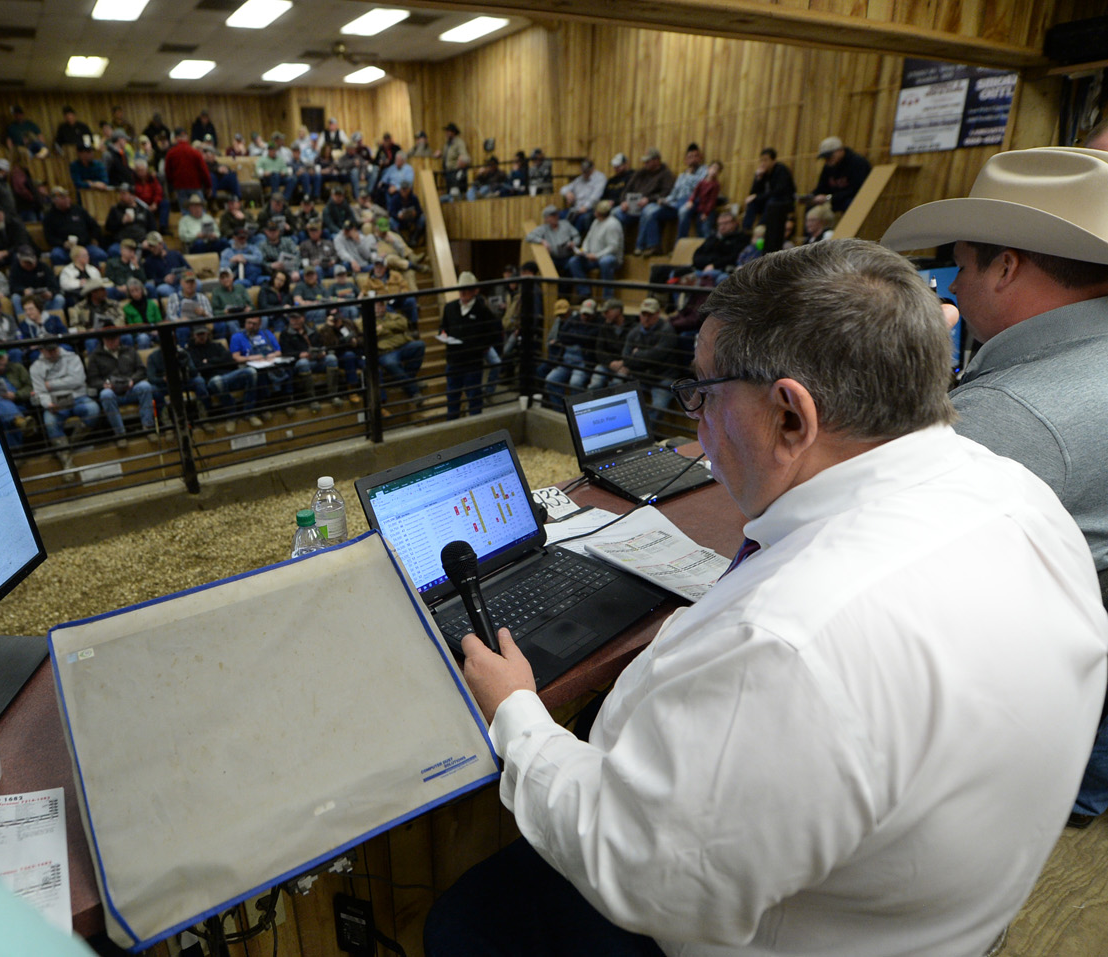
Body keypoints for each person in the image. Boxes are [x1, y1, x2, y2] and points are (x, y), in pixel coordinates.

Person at [428, 238, 1108, 957]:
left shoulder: (786, 646)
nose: (697, 423)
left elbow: (640, 879)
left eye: (704, 394)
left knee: (463, 920)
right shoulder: (1021, 499)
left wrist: (517, 717)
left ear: (791, 416)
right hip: (936, 910)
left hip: (774, 932)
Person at [882, 145, 1108, 829]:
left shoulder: (1009, 416)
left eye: (960, 263)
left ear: (1005, 266)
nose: (949, 288)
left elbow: (880, 542)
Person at [439, 271, 501, 420]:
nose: (463, 293)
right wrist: (443, 335)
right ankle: (451, 428)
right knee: (452, 397)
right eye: (461, 290)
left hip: (472, 362)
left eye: (466, 290)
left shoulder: (483, 311)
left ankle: (475, 430)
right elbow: (443, 328)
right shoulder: (450, 307)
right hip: (454, 361)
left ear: (474, 291)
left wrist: (481, 347)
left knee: (474, 397)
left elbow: (495, 332)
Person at [30, 341, 99, 469]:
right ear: (41, 351)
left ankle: (70, 445)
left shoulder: (72, 357)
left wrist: (50, 384)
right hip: (54, 402)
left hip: (78, 397)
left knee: (93, 409)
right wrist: (47, 404)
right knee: (50, 421)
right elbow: (39, 391)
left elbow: (78, 380)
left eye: (54, 349)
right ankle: (67, 461)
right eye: (48, 351)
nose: (52, 353)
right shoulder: (36, 367)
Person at [609, 297, 677, 418]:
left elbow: (657, 357)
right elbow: (625, 357)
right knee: (617, 387)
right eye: (644, 314)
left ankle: (651, 435)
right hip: (641, 375)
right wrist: (639, 358)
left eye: (650, 314)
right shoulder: (634, 332)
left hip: (662, 377)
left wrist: (636, 354)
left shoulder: (667, 331)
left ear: (657, 314)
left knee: (658, 407)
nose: (646, 318)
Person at [85, 331, 155, 448]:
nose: (112, 342)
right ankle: (120, 434)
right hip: (112, 393)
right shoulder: (95, 356)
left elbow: (141, 370)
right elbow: (92, 380)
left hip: (130, 389)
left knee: (145, 386)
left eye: (114, 338)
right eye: (109, 339)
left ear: (119, 338)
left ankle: (148, 427)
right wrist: (105, 384)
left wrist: (132, 380)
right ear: (103, 339)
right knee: (105, 394)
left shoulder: (130, 350)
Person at [636, 143, 707, 256]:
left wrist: (690, 176)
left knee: (683, 212)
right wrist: (665, 200)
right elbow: (674, 193)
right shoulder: (682, 175)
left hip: (693, 201)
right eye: (690, 157)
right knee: (652, 213)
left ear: (700, 158)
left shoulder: (705, 171)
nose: (693, 159)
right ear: (685, 160)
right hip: (677, 202)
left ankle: (678, 248)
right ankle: (654, 246)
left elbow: (700, 186)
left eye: (695, 156)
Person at [186, 324, 259, 430]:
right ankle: (232, 415)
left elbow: (229, 360)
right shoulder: (190, 352)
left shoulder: (217, 346)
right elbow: (199, 368)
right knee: (217, 381)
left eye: (203, 334)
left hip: (229, 375)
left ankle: (249, 412)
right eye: (199, 334)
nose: (201, 336)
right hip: (212, 380)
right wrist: (217, 361)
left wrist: (209, 362)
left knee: (251, 372)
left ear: (208, 334)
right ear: (194, 336)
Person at [610, 149, 675, 243]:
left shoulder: (666, 174)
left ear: (657, 160)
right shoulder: (640, 173)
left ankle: (641, 246)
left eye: (648, 161)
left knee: (647, 212)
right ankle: (617, 244)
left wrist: (649, 199)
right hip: (632, 206)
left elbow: (666, 192)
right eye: (645, 161)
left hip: (649, 204)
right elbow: (626, 189)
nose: (645, 163)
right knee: (615, 213)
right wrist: (623, 201)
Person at [278, 311, 338, 413]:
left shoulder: (312, 331)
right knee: (303, 363)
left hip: (316, 360)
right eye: (292, 318)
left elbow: (320, 344)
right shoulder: (285, 334)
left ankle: (333, 395)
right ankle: (312, 399)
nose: (294, 321)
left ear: (303, 318)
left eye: (296, 318)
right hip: (299, 364)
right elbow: (285, 352)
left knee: (331, 358)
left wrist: (322, 352)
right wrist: (299, 355)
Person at [543, 298, 599, 408]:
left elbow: (589, 338)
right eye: (584, 314)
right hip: (565, 361)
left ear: (594, 314)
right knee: (550, 379)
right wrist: (580, 337)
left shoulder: (598, 323)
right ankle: (560, 410)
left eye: (588, 315)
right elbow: (562, 336)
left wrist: (574, 336)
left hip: (583, 363)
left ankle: (575, 413)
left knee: (575, 383)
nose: (585, 317)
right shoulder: (574, 319)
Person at [371, 297, 425, 407]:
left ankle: (408, 380)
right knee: (390, 363)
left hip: (402, 346)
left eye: (380, 305)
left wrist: (384, 328)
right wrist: (393, 329)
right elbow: (369, 331)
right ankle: (414, 391)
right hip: (386, 352)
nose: (378, 309)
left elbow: (403, 324)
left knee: (419, 345)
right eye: (375, 306)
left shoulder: (392, 315)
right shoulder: (366, 320)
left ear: (384, 307)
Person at [230, 313, 289, 413]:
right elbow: (236, 358)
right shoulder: (237, 337)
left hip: (268, 362)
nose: (251, 326)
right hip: (249, 365)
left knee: (287, 367)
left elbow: (278, 352)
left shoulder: (267, 333)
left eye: (254, 324)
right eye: (248, 323)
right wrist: (253, 358)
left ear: (260, 324)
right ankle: (263, 407)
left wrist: (270, 356)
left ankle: (287, 402)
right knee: (260, 373)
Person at [566, 200, 624, 300]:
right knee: (574, 262)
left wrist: (597, 256)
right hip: (592, 257)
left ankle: (608, 297)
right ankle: (584, 292)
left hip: (611, 258)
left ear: (599, 213)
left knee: (605, 262)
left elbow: (613, 247)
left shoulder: (613, 224)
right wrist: (583, 251)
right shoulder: (596, 222)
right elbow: (588, 238)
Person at [42, 187, 107, 265]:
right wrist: (63, 243)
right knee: (56, 255)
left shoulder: (78, 210)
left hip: (84, 245)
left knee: (100, 254)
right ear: (55, 200)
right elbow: (49, 237)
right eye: (63, 198)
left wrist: (94, 238)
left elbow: (95, 226)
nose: (67, 199)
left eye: (67, 197)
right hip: (64, 248)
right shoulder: (50, 217)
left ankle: (94, 274)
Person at [742, 146, 796, 234]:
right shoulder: (763, 173)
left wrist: (757, 197)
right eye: (761, 160)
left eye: (766, 160)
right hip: (769, 200)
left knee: (771, 202)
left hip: (783, 200)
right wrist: (758, 179)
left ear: (773, 161)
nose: (763, 163)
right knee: (752, 203)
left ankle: (760, 228)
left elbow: (778, 192)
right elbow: (753, 193)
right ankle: (746, 229)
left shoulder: (781, 170)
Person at [811, 136, 872, 214]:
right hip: (835, 200)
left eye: (829, 156)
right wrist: (812, 196)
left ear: (840, 151)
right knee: (811, 208)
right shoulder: (829, 165)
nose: (827, 160)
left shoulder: (858, 163)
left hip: (854, 199)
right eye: (825, 158)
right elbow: (822, 187)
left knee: (851, 204)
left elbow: (857, 189)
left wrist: (829, 198)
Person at [525, 205, 579, 293]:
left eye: (556, 215)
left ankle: (565, 294)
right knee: (548, 268)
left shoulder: (565, 224)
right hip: (554, 258)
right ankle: (555, 294)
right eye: (552, 216)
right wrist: (542, 241)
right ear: (546, 219)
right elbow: (529, 237)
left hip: (567, 256)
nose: (555, 217)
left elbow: (576, 236)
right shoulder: (543, 228)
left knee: (572, 267)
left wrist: (574, 243)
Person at [165, 129, 213, 213]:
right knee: (200, 212)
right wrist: (208, 186)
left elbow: (168, 172)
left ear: (176, 138)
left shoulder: (171, 153)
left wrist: (172, 186)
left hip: (180, 187)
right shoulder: (195, 152)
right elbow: (204, 171)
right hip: (195, 186)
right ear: (186, 137)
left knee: (185, 212)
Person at [9, 245, 64, 315]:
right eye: (26, 263)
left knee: (59, 299)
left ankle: (53, 320)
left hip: (43, 300)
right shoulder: (15, 269)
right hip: (26, 300)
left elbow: (55, 286)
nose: (29, 265)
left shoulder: (44, 267)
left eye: (30, 262)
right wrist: (23, 290)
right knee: (15, 298)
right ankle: (23, 321)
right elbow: (12, 287)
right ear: (20, 261)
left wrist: (51, 293)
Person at [560, 159, 608, 234]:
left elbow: (595, 197)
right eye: (583, 171)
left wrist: (585, 207)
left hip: (590, 209)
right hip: (576, 208)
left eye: (587, 171)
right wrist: (567, 193)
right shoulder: (579, 179)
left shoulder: (600, 178)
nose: (585, 174)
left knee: (582, 219)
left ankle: (575, 240)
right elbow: (563, 189)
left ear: (593, 169)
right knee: (560, 215)